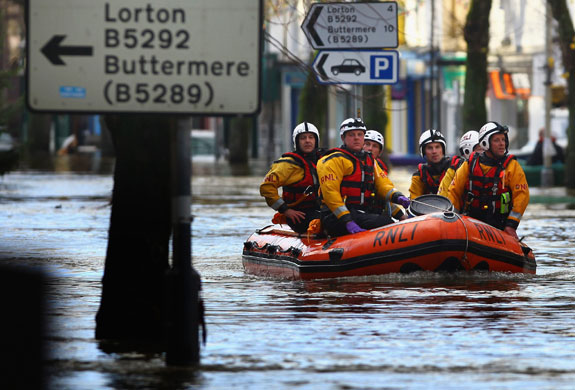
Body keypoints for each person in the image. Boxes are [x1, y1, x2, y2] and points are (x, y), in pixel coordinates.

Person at [317, 118, 410, 237]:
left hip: (359, 212)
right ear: (343, 138)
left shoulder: (370, 160)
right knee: (384, 223)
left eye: (360, 134)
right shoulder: (332, 160)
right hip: (335, 216)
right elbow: (331, 194)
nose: (356, 138)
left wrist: (398, 197)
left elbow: (383, 185)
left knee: (386, 221)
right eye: (351, 135)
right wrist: (347, 221)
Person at [448, 121, 529, 240]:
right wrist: (452, 220)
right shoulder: (470, 164)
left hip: (499, 226)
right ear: (485, 143)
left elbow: (522, 196)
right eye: (497, 140)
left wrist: (511, 225)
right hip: (469, 223)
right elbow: (454, 191)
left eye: (503, 140)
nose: (502, 144)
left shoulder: (512, 166)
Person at [260, 122, 322, 234]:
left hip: (321, 209)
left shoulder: (324, 161)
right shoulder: (287, 164)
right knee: (328, 223)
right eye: (303, 138)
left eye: (311, 137)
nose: (307, 140)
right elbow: (266, 187)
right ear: (297, 141)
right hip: (299, 215)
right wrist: (285, 210)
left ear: (316, 140)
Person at [363, 129, 406, 220]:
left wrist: (401, 215)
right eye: (367, 144)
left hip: (373, 212)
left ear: (379, 152)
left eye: (375, 146)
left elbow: (384, 196)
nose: (370, 148)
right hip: (357, 212)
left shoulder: (380, 168)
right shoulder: (354, 164)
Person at [409, 129, 461, 199]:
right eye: (430, 148)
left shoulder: (457, 167)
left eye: (437, 147)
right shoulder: (419, 176)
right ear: (423, 152)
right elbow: (414, 200)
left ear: (443, 149)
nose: (434, 151)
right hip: (428, 209)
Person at [437, 130, 483, 197]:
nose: (484, 152)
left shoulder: (493, 165)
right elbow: (442, 197)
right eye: (480, 149)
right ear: (467, 151)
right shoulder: (455, 170)